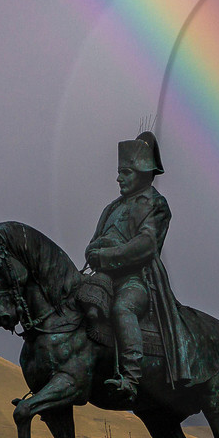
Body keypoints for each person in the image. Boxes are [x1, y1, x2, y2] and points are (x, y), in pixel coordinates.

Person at [84, 131, 189, 403]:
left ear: (142, 174)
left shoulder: (156, 204)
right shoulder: (112, 208)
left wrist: (105, 255)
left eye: (125, 172)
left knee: (123, 307)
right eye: (120, 172)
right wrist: (94, 252)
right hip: (103, 277)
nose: (119, 178)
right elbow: (93, 242)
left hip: (137, 279)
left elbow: (146, 245)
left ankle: (130, 377)